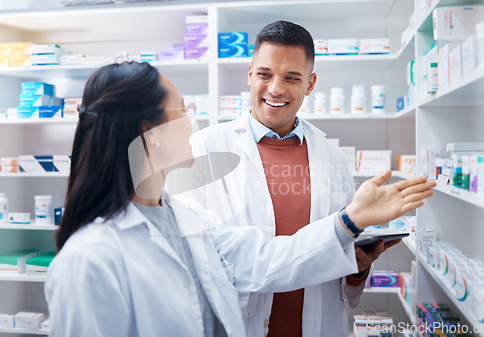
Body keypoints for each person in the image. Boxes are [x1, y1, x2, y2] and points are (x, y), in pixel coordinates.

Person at [45, 61, 434, 337]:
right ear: (152, 133)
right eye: (182, 109)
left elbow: (266, 260)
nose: (192, 118)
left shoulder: (188, 217)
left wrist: (352, 219)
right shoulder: (89, 259)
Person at [186, 21, 427, 337]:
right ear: (249, 73)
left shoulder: (333, 159)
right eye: (265, 74)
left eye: (291, 78)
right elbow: (198, 260)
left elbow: (340, 265)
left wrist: (358, 265)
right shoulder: (203, 149)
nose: (275, 89)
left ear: (310, 84)